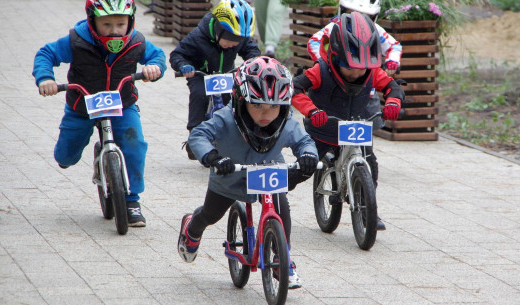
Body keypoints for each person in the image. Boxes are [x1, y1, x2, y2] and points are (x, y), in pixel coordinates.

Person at [177, 56, 319, 289]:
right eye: (257, 105)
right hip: (229, 177)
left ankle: (283, 258)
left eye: (274, 106)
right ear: (241, 100)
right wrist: (212, 157)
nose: (266, 113)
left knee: (281, 209)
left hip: (268, 177)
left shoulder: (287, 122)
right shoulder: (225, 118)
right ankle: (192, 227)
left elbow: (304, 141)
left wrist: (308, 156)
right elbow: (198, 135)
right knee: (211, 215)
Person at [32, 0, 166, 227]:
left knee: (135, 144)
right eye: (107, 24)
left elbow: (158, 56)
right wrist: (45, 78)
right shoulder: (77, 41)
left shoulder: (136, 42)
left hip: (121, 104)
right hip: (82, 106)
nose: (114, 30)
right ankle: (70, 155)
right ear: (92, 21)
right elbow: (46, 54)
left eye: (120, 24)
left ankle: (132, 201)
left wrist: (154, 68)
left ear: (130, 21)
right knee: (66, 156)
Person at [291, 12, 405, 231]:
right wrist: (311, 110)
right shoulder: (321, 70)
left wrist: (393, 103)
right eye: (350, 67)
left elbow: (393, 87)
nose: (356, 73)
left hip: (357, 125)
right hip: (324, 127)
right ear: (336, 58)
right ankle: (274, 199)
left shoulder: (372, 72)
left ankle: (368, 209)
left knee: (370, 163)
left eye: (361, 67)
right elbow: (294, 88)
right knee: (305, 166)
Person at [169, 0, 260, 160]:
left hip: (224, 73)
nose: (233, 44)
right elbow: (177, 54)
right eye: (231, 39)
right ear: (219, 28)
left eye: (237, 41)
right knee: (199, 94)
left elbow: (251, 50)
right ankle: (195, 135)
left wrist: (252, 62)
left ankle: (238, 131)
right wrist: (183, 66)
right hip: (199, 73)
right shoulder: (198, 36)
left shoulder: (238, 38)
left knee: (233, 97)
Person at [307, 0, 402, 133]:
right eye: (352, 14)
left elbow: (394, 45)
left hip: (364, 84)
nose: (358, 20)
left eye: (366, 16)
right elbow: (314, 41)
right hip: (337, 80)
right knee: (327, 123)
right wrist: (324, 62)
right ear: (343, 12)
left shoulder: (376, 30)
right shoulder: (334, 26)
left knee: (369, 126)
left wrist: (392, 61)